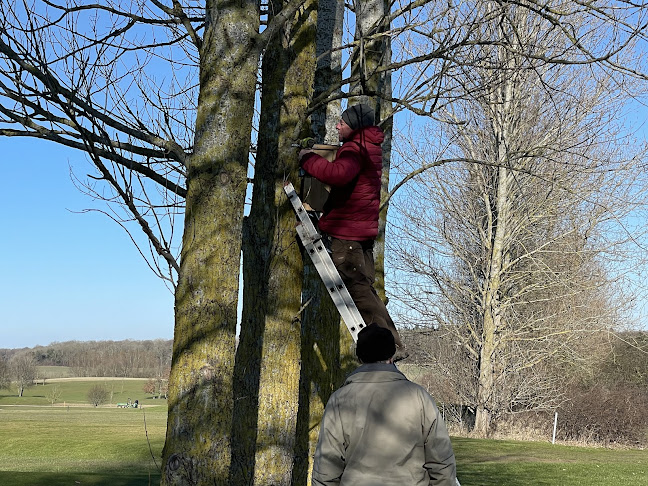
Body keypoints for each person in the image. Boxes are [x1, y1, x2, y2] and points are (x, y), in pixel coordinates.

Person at [299, 103, 406, 359]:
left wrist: (308, 158)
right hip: (362, 231)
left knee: (358, 292)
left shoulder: (355, 149)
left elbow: (338, 174)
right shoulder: (369, 146)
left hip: (347, 233)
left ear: (354, 127)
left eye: (342, 123)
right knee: (365, 291)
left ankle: (391, 346)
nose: (337, 126)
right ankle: (392, 345)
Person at [311, 325, 458, 486]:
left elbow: (326, 466)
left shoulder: (340, 400)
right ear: (392, 355)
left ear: (359, 358)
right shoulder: (419, 397)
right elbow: (442, 463)